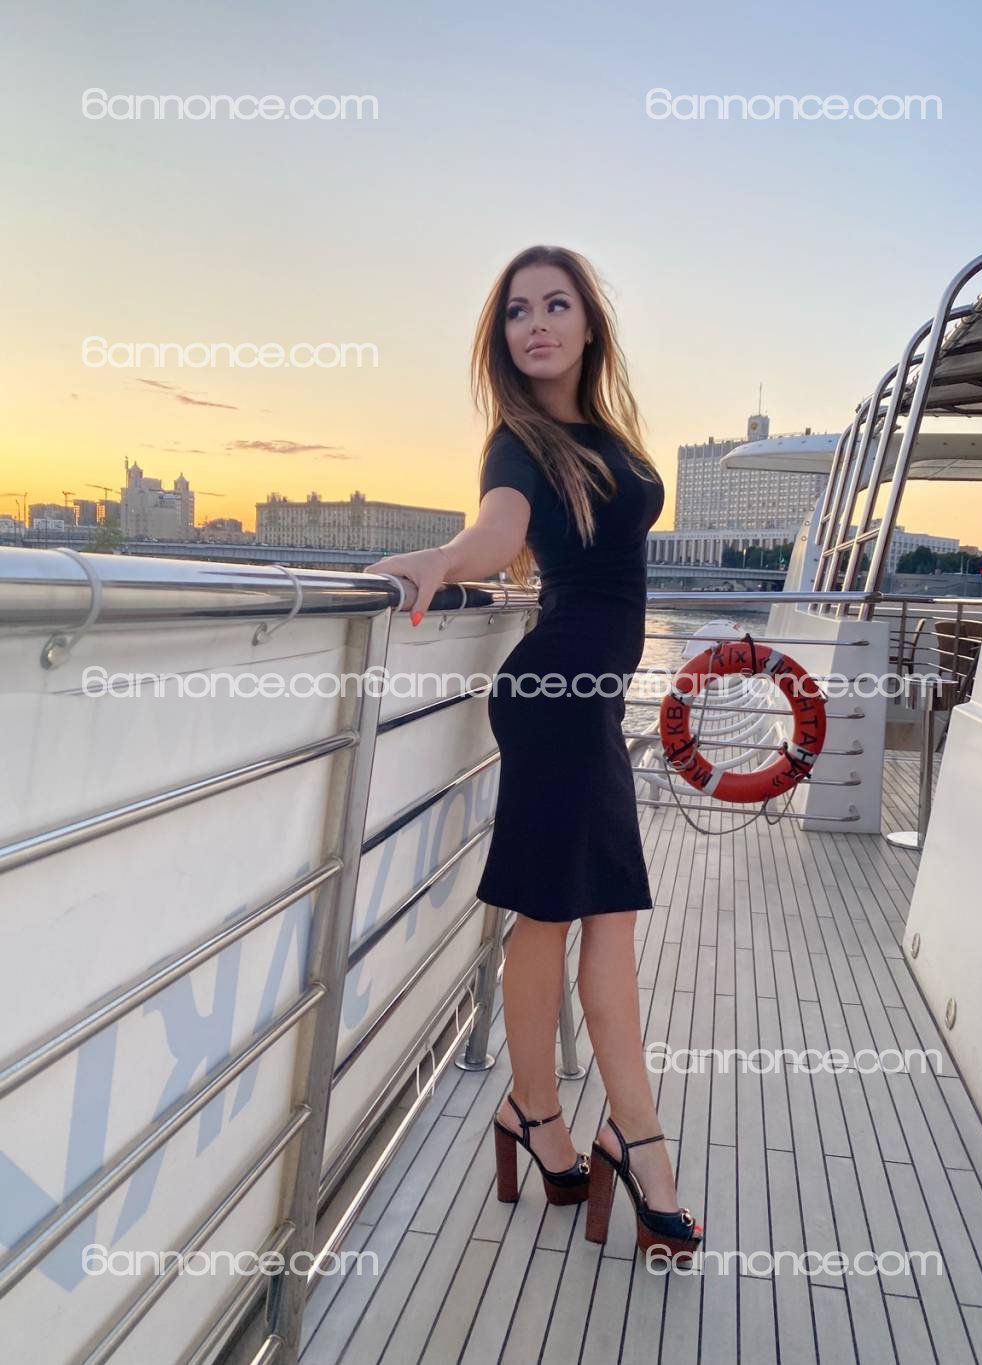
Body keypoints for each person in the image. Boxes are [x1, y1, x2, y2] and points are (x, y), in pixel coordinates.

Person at [365, 244, 702, 1259]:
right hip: (554, 697)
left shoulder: (604, 436)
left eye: (556, 305)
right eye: (518, 311)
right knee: (564, 919)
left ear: (590, 325)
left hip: (586, 701)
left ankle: (547, 1118)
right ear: (502, 336)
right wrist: (440, 560)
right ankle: (624, 1140)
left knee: (601, 919)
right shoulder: (517, 445)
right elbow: (495, 531)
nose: (538, 324)